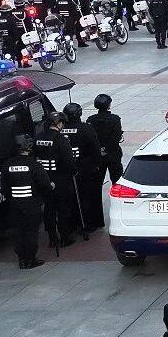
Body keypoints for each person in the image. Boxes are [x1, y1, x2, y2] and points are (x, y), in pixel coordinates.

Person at [0, 134, 54, 269]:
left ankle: (22, 260)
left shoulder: (7, 165)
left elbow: (4, 187)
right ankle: (31, 259)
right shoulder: (34, 165)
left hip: (14, 206)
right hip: (32, 205)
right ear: (29, 147)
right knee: (31, 232)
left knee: (18, 232)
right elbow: (44, 185)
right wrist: (50, 187)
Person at [35, 111, 79, 247]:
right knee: (63, 209)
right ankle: (65, 237)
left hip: (44, 180)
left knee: (49, 209)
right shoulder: (61, 140)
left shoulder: (38, 138)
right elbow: (69, 162)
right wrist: (74, 170)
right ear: (59, 124)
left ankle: (52, 238)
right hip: (61, 180)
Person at [60, 102, 103, 234]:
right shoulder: (86, 129)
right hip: (85, 169)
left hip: (66, 170)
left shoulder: (60, 130)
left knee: (70, 198)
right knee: (88, 196)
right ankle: (89, 223)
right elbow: (95, 149)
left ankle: (73, 223)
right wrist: (98, 164)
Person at [86, 94, 123, 229]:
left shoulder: (90, 120)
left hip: (97, 157)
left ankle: (96, 221)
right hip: (113, 156)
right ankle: (120, 213)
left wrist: (100, 149)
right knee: (117, 185)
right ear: (109, 105)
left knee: (95, 188)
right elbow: (116, 137)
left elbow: (91, 138)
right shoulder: (115, 119)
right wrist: (107, 149)